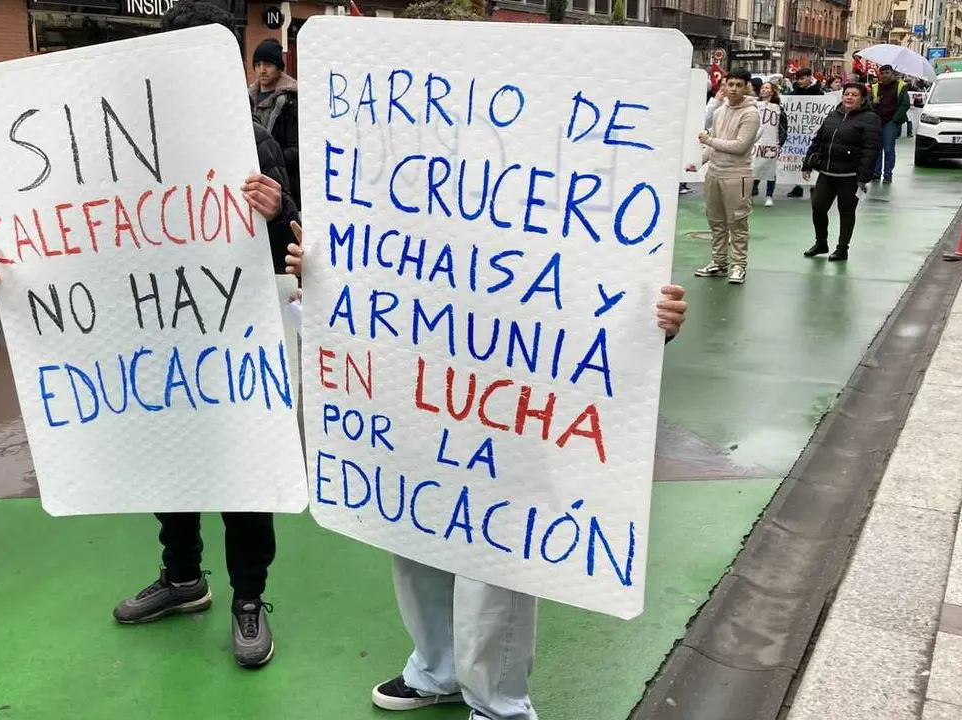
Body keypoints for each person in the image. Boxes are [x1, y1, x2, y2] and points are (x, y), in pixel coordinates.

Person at [0, 0, 298, 669]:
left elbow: (291, 246)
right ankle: (183, 577)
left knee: (242, 474)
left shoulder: (251, 141)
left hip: (229, 340)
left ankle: (249, 598)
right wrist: (17, 269)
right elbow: (83, 230)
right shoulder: (113, 139)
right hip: (155, 335)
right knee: (171, 457)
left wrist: (277, 210)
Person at [281, 226, 689, 720]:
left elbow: (586, 281)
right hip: (415, 389)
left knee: (493, 555)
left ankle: (499, 704)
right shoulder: (409, 186)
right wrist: (331, 277)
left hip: (509, 402)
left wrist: (645, 325)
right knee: (415, 533)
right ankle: (439, 668)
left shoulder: (545, 195)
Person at [689, 67, 759, 285]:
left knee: (737, 223)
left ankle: (739, 265)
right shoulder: (719, 112)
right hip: (714, 174)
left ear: (746, 87)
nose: (734, 89)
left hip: (736, 176)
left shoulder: (751, 113)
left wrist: (708, 140)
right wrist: (697, 162)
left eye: (739, 85)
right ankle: (719, 262)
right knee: (716, 221)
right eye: (731, 84)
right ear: (725, 86)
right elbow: (713, 148)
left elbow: (740, 146)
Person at [801, 83, 881, 262]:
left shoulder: (870, 119)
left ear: (862, 99)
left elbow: (871, 149)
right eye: (846, 94)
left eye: (854, 94)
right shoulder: (833, 115)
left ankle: (842, 249)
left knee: (846, 212)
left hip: (850, 176)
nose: (849, 97)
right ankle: (821, 242)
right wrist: (807, 163)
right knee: (818, 207)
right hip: (827, 173)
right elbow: (818, 140)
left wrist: (863, 177)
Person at [248, 38, 300, 209]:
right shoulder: (246, 99)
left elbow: (297, 149)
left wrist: (269, 157)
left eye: (268, 65)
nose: (262, 70)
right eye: (258, 64)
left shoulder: (290, 102)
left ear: (279, 68)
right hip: (252, 182)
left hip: (284, 186)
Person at [785, 68, 826, 199]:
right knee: (797, 157)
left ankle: (814, 185)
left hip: (813, 131)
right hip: (798, 132)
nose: (800, 81)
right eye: (798, 79)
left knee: (813, 156)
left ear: (809, 78)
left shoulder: (819, 93)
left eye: (802, 78)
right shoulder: (794, 93)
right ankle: (797, 185)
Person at [870, 65, 909, 183]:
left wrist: (895, 119)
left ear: (892, 73)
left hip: (891, 121)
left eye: (887, 72)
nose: (885, 75)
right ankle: (876, 173)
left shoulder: (901, 86)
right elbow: (868, 105)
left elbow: (905, 104)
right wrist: (873, 102)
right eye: (882, 73)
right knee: (877, 148)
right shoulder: (875, 87)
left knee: (888, 149)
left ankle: (887, 174)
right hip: (877, 121)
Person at [752, 82, 787, 208]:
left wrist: (780, 143)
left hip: (771, 143)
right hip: (756, 143)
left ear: (772, 92)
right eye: (762, 87)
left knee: (770, 170)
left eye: (767, 87)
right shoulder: (754, 105)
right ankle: (750, 193)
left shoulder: (778, 109)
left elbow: (783, 128)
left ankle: (769, 195)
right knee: (754, 167)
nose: (763, 89)